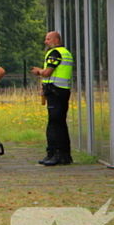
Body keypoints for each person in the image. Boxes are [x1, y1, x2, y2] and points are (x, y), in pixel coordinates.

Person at [31, 31, 74, 166]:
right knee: (59, 123)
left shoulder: (55, 53)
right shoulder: (66, 53)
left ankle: (57, 154)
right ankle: (61, 154)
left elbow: (47, 72)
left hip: (55, 92)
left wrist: (38, 71)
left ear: (56, 40)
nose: (46, 41)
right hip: (61, 90)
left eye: (48, 39)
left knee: (55, 124)